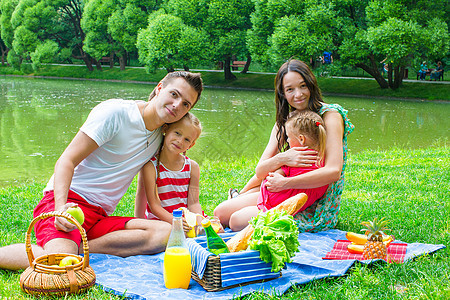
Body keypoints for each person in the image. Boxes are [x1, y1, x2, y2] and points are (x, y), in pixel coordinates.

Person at [0, 71, 203, 270]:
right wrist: (60, 208)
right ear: (160, 88)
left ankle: (77, 251)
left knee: (166, 233)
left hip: (101, 216)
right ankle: (64, 253)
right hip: (70, 202)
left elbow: (177, 158)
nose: (177, 105)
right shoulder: (115, 113)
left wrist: (197, 216)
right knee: (61, 263)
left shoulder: (163, 134)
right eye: (174, 94)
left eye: (186, 104)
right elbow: (66, 160)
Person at [214, 59, 354, 233]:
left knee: (236, 222)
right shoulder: (285, 121)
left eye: (303, 86)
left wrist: (286, 182)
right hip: (283, 191)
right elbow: (261, 171)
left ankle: (245, 198)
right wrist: (284, 157)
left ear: (311, 85)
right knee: (220, 213)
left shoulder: (330, 115)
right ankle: (241, 196)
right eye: (290, 89)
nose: (298, 94)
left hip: (312, 202)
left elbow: (333, 171)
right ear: (282, 93)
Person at [225, 110, 329, 231]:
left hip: (273, 209)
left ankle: (237, 197)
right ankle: (238, 196)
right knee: (222, 213)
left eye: (289, 137)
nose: (288, 141)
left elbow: (272, 179)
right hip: (265, 199)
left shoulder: (313, 165)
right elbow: (269, 176)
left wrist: (280, 177)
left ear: (301, 139)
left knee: (234, 221)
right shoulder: (302, 157)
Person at [134, 112, 203, 232]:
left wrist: (199, 222)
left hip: (186, 222)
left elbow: (194, 203)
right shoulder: (151, 167)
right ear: (166, 129)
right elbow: (154, 206)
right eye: (177, 133)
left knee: (216, 228)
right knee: (166, 233)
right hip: (162, 221)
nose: (180, 141)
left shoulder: (193, 167)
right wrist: (176, 222)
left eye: (186, 139)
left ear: (191, 145)